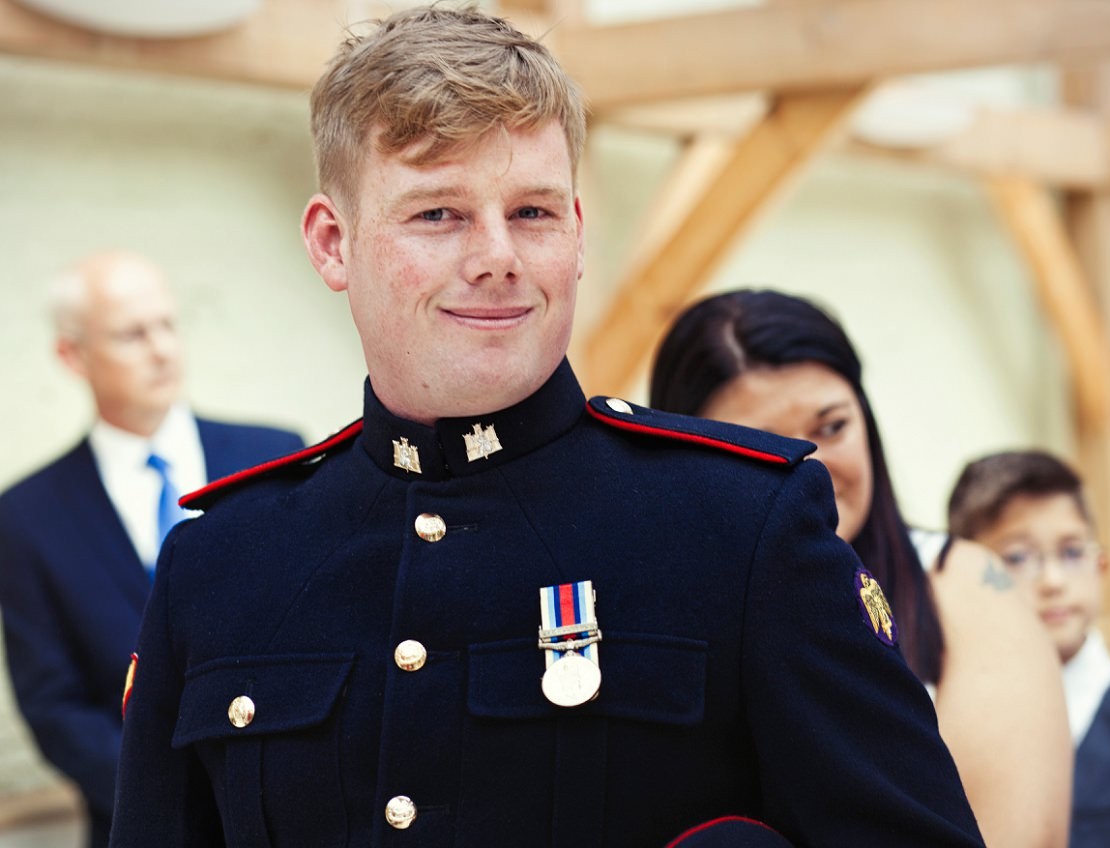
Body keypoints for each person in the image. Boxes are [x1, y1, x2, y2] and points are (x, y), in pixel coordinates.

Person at [109, 8, 987, 847]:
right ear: (332, 242)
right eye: (438, 213)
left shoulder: (740, 528)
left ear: (574, 231)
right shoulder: (220, 564)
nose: (496, 256)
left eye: (531, 211)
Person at [649, 289, 1072, 848]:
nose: (813, 471)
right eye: (765, 446)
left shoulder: (965, 587)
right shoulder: (653, 612)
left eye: (832, 427)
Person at [0, 249, 304, 848]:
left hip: (289, 813)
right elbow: (55, 707)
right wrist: (166, 807)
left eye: (167, 324)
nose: (162, 349)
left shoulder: (274, 457)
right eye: (131, 334)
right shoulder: (25, 516)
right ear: (72, 355)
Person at [948, 448, 1110, 848]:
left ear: (1102, 566)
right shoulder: (938, 713)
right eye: (1017, 557)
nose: (1053, 580)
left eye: (1071, 552)